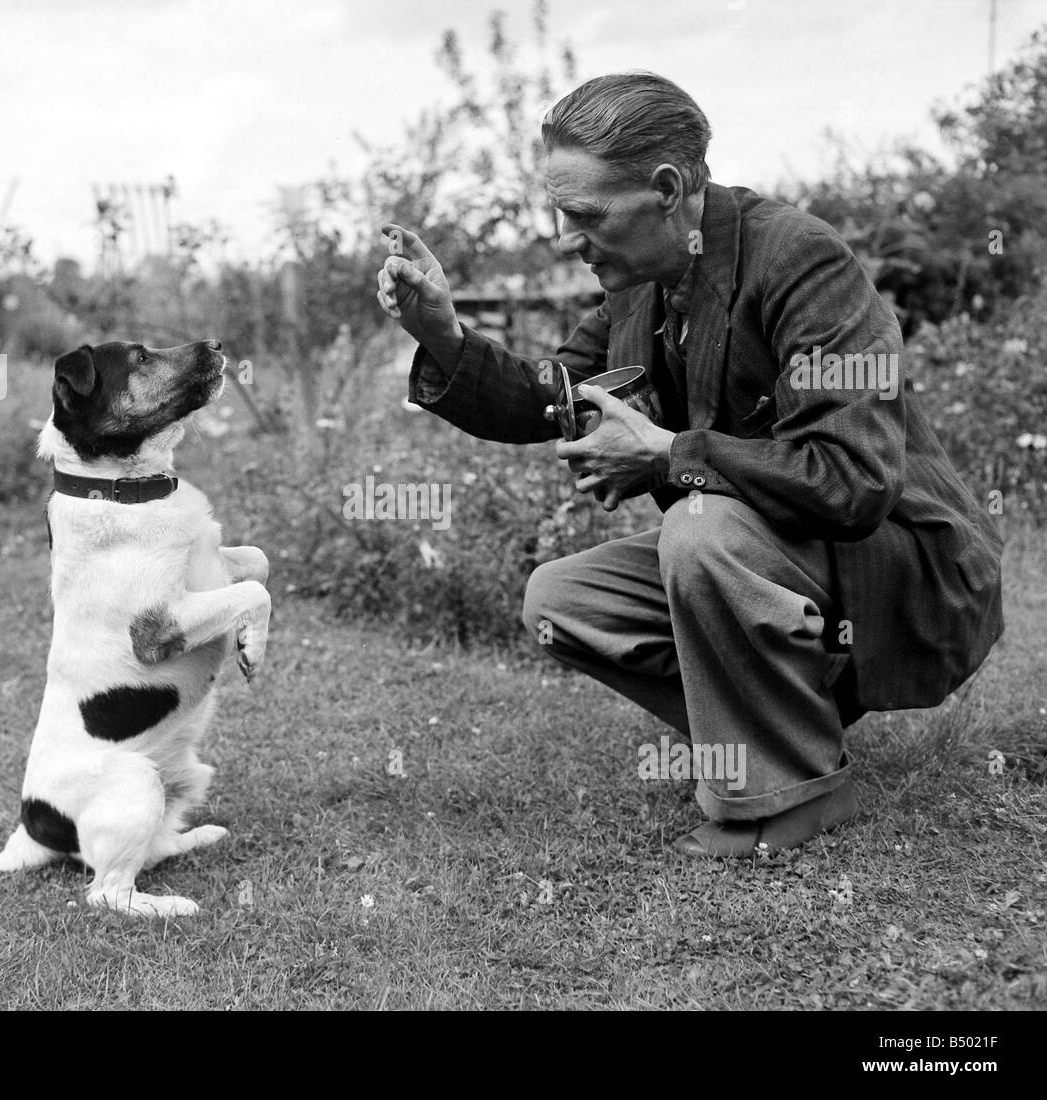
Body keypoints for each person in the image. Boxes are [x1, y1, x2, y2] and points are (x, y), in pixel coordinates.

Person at [375, 71, 1004, 858]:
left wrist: (668, 455)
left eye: (584, 214)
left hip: (904, 568)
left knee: (700, 530)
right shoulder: (639, 283)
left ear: (668, 188)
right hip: (776, 560)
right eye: (557, 210)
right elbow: (549, 395)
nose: (566, 238)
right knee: (563, 598)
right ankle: (783, 732)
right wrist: (442, 336)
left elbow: (853, 481)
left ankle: (792, 794)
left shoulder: (803, 264)